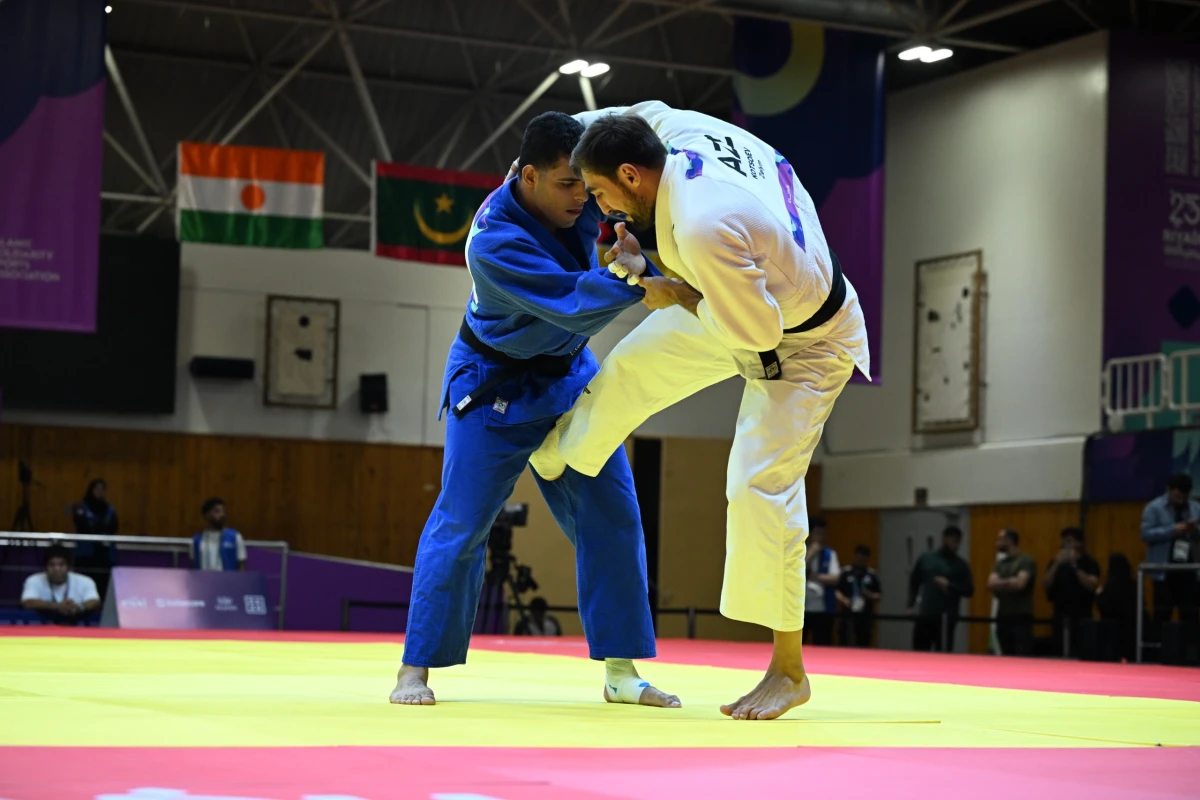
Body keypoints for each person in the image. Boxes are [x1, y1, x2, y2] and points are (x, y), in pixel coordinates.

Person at [529, 101, 870, 720]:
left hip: (806, 341)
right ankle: (560, 457)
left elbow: (757, 335)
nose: (600, 207)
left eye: (602, 193)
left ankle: (789, 671)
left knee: (757, 484)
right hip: (757, 292)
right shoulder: (664, 129)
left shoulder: (703, 224)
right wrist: (532, 162)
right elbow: (600, 121)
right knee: (633, 367)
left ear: (632, 174)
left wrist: (667, 290)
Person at [391, 112, 677, 710]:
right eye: (568, 185)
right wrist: (638, 276)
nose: (583, 199)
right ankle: (414, 668)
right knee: (463, 522)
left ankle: (622, 672)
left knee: (614, 511)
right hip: (494, 383)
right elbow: (572, 304)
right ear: (527, 177)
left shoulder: (581, 186)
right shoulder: (494, 240)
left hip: (570, 375)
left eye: (587, 185)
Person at [1140, 474, 1199, 629]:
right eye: (1178, 496)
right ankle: (1159, 651)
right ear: (1168, 490)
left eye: (1185, 496)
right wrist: (1171, 530)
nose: (1182, 500)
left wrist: (1194, 530)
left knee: (1190, 616)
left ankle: (1190, 651)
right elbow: (1145, 534)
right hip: (1164, 573)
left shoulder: (1195, 507)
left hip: (1189, 571)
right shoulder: (1154, 508)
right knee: (1162, 616)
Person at [907, 526, 974, 652]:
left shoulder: (961, 564)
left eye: (958, 542)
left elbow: (969, 590)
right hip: (926, 614)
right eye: (953, 541)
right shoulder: (926, 558)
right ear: (945, 539)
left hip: (947, 617)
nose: (956, 545)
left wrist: (949, 586)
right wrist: (910, 604)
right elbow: (914, 581)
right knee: (919, 653)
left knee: (943, 654)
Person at [1042, 526, 1100, 656]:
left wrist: (1075, 566)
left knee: (1081, 651)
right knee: (1058, 651)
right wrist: (1056, 564)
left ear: (1079, 543)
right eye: (1063, 541)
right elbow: (1045, 584)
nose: (1065, 544)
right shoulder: (1055, 562)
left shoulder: (1089, 562)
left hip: (1082, 613)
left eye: (1069, 540)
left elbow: (1092, 585)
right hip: (1060, 613)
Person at [21, 545, 101, 625]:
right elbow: (28, 602)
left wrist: (78, 607)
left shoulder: (85, 581)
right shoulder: (34, 580)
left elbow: (95, 602)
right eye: (52, 565)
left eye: (61, 565)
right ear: (45, 568)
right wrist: (56, 606)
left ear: (68, 567)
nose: (57, 569)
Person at [987, 529, 1037, 656]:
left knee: (1021, 655)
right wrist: (1010, 582)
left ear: (1009, 540)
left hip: (1021, 616)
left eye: (999, 539)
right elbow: (990, 584)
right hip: (1003, 615)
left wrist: (1001, 583)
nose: (996, 542)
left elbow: (1020, 584)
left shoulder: (1025, 560)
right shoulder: (1000, 564)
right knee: (1006, 655)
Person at [71, 478, 119, 600]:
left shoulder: (109, 509)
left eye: (102, 489)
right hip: (86, 555)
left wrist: (95, 526)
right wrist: (100, 528)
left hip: (104, 556)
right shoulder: (80, 507)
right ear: (91, 490)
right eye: (97, 489)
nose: (100, 492)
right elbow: (83, 527)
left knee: (103, 586)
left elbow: (114, 527)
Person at [1095, 553, 1138, 662]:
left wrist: (1098, 594)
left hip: (1114, 633)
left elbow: (1105, 608)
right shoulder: (1133, 585)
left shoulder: (1110, 586)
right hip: (1132, 630)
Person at [836, 544, 881, 647]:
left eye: (863, 559)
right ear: (855, 557)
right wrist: (844, 600)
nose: (860, 561)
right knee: (845, 641)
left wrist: (869, 595)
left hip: (865, 615)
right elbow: (837, 591)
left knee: (864, 643)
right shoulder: (846, 572)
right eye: (858, 558)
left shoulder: (872, 575)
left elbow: (879, 596)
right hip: (847, 613)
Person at [803, 518, 839, 645]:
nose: (821, 537)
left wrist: (815, 576)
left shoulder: (829, 553)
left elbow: (835, 578)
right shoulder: (800, 552)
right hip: (802, 608)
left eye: (823, 533)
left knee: (822, 643)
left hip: (823, 608)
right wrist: (811, 553)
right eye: (817, 533)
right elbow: (795, 571)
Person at [193, 497, 246, 572]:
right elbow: (193, 565)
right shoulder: (197, 540)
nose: (222, 515)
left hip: (228, 582)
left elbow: (241, 564)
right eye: (217, 511)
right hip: (204, 581)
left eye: (223, 511)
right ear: (207, 515)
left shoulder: (235, 537)